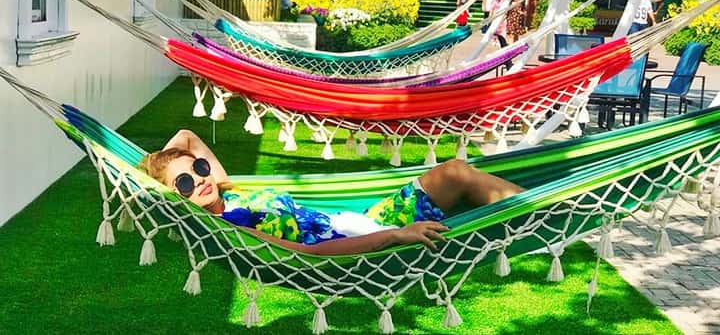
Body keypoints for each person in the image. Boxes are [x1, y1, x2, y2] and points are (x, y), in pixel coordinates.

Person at [141, 130, 524, 256]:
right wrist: (395, 234)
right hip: (372, 233)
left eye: (199, 169)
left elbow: (187, 136)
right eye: (186, 184)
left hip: (367, 216)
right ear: (174, 199)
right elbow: (306, 254)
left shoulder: (225, 189)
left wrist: (157, 166)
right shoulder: (229, 226)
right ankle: (557, 209)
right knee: (457, 173)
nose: (201, 179)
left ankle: (554, 202)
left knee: (456, 174)